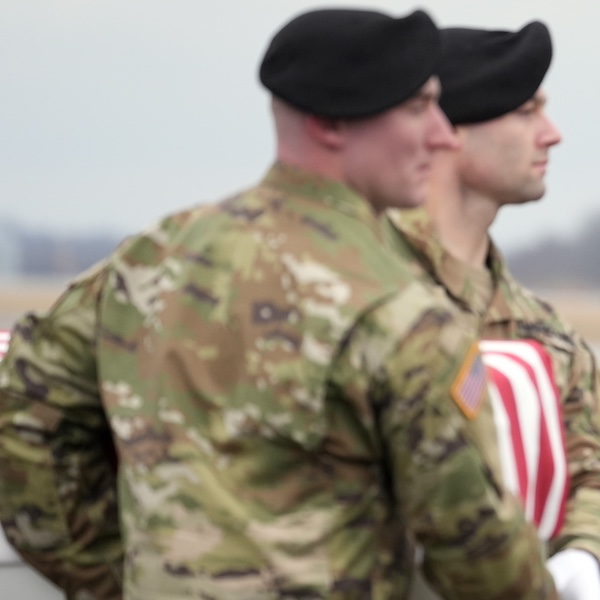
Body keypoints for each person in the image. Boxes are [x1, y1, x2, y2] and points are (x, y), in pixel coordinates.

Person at [0, 8, 559, 599]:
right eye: (417, 107)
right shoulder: (402, 313)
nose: (442, 135)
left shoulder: (153, 259)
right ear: (332, 123)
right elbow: (478, 549)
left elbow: (25, 416)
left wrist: (108, 577)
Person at [383, 21, 600, 600]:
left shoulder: (545, 336)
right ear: (449, 130)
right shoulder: (358, 303)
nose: (551, 135)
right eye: (526, 112)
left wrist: (586, 557)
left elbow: (594, 475)